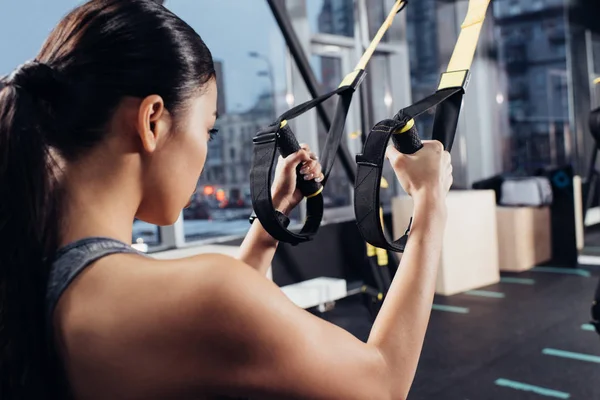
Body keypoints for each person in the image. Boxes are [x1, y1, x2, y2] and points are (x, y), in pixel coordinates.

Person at [0, 0, 453, 399]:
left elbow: (212, 327)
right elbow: (382, 384)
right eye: (208, 129)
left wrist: (269, 223)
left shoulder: (39, 272)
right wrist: (429, 201)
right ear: (152, 121)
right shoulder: (201, 297)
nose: (206, 148)